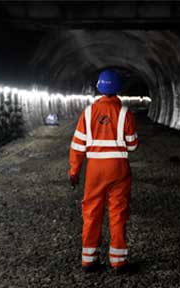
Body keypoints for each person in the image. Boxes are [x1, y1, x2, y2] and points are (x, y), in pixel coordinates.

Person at [68, 69, 139, 273]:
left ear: (99, 87)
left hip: (95, 171)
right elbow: (133, 145)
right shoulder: (125, 113)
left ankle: (89, 260)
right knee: (118, 213)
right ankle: (118, 261)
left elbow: (78, 146)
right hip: (118, 169)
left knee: (91, 212)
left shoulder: (88, 113)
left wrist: (74, 171)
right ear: (117, 88)